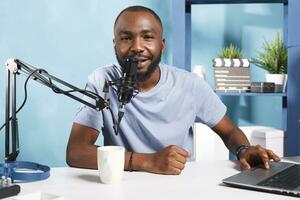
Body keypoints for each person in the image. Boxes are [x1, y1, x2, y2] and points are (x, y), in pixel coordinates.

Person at [66, 5, 280, 175]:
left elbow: (230, 131)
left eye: (147, 37)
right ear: (115, 45)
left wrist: (244, 149)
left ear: (162, 45)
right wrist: (148, 162)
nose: (137, 47)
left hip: (177, 184)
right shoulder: (102, 80)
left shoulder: (190, 84)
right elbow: (76, 152)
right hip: (123, 185)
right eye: (126, 38)